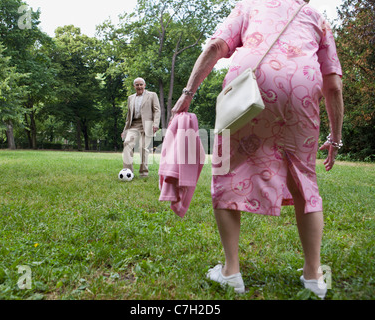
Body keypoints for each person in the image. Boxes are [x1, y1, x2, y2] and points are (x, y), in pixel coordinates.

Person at [172, 0, 344, 298]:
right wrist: (336, 136)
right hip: (301, 91)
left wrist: (188, 94)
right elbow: (334, 86)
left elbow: (214, 48)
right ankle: (314, 276)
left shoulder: (249, 5)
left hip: (248, 88)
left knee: (226, 171)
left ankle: (231, 271)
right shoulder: (317, 18)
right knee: (305, 180)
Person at [121, 77, 161, 177]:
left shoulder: (152, 95)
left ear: (145, 85)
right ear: (134, 86)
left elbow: (157, 110)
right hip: (134, 125)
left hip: (147, 125)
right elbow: (129, 115)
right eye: (137, 85)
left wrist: (156, 124)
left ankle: (144, 172)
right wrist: (125, 130)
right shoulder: (130, 98)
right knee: (127, 144)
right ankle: (128, 171)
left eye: (141, 84)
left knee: (143, 148)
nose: (139, 87)